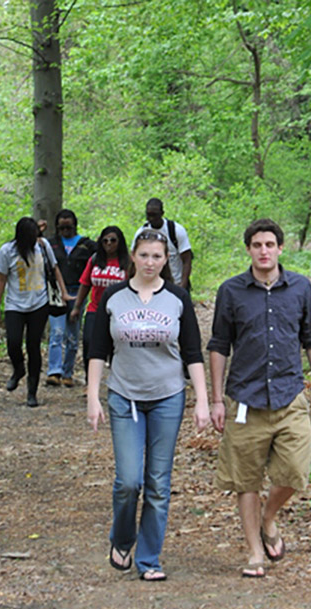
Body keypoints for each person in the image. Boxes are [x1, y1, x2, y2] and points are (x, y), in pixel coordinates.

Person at [207, 218, 311, 578]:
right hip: (245, 397)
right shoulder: (231, 291)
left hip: (290, 394)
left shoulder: (301, 288)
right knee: (245, 480)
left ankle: (269, 517)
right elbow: (218, 345)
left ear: (280, 248)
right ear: (248, 249)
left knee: (294, 471)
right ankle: (254, 551)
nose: (264, 251)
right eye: (257, 245)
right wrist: (216, 399)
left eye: (270, 245)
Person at [87, 229, 210, 581]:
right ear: (133, 257)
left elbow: (192, 353)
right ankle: (122, 538)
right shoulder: (113, 297)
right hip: (124, 397)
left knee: (158, 482)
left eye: (157, 257)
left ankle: (149, 558)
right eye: (144, 256)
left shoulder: (176, 298)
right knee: (129, 481)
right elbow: (98, 351)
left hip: (167, 397)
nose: (150, 263)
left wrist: (202, 399)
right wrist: (93, 396)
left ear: (165, 260)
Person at [0, 217, 69, 407]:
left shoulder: (42, 247)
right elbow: (1, 280)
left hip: (39, 303)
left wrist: (64, 292)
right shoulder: (7, 251)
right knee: (13, 343)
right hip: (14, 305)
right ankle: (18, 370)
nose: (36, 238)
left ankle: (32, 392)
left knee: (33, 346)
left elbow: (55, 269)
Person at [70, 226, 130, 385]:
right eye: (105, 241)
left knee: (115, 347)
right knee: (89, 343)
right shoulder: (95, 260)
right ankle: (90, 382)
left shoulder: (128, 262)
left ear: (120, 242)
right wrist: (77, 307)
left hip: (119, 312)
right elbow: (85, 283)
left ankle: (118, 381)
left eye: (113, 240)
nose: (109, 244)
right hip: (95, 309)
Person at [45, 209, 96, 387]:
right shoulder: (50, 244)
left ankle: (68, 372)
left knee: (73, 336)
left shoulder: (86, 245)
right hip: (56, 294)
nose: (65, 230)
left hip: (77, 292)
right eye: (62, 227)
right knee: (57, 333)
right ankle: (54, 372)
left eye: (69, 226)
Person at [133, 198, 192, 289]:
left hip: (176, 283)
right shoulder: (142, 233)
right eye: (149, 215)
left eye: (155, 215)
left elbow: (187, 259)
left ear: (162, 213)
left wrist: (183, 285)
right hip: (151, 285)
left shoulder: (175, 230)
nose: (151, 218)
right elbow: (134, 259)